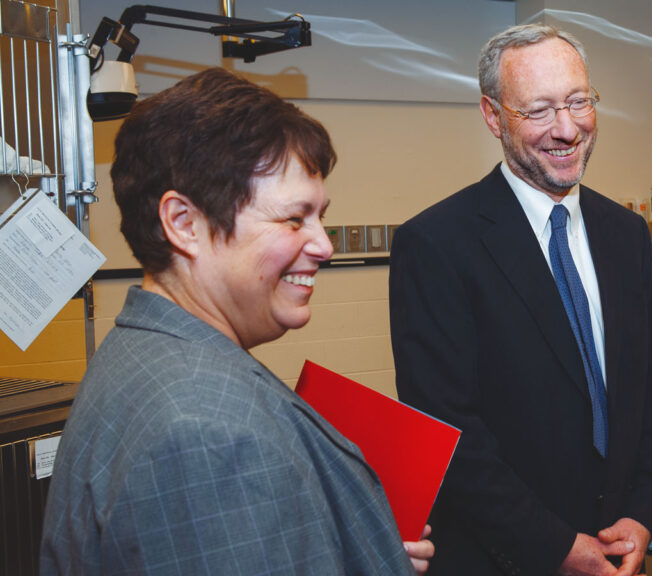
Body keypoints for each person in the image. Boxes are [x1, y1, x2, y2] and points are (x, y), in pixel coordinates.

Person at [39, 68, 432, 575]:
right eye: (294, 219)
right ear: (184, 223)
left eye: (319, 216)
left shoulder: (144, 350)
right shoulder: (207, 433)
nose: (325, 245)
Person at [388, 23, 652, 576]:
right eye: (540, 110)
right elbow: (450, 431)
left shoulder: (625, 233)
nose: (567, 128)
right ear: (493, 116)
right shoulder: (436, 244)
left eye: (578, 102)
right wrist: (555, 547)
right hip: (502, 558)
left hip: (621, 554)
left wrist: (645, 515)